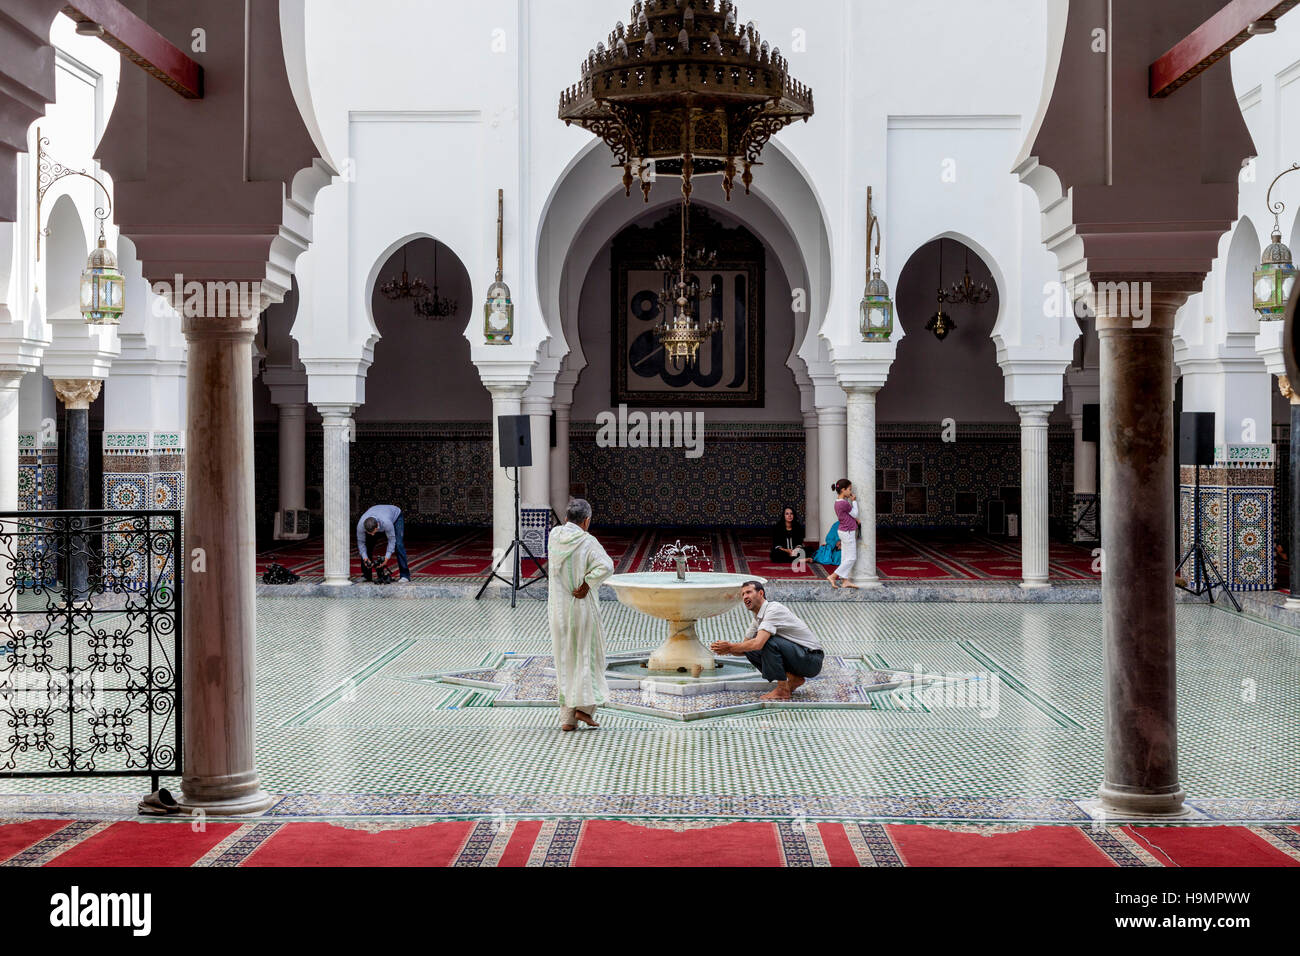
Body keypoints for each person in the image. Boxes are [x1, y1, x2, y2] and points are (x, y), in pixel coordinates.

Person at [547, 498, 615, 732]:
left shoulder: (554, 536)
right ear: (586, 521)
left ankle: (567, 720)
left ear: (566, 519)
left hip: (558, 613)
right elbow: (607, 566)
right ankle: (584, 709)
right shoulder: (588, 541)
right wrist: (587, 583)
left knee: (565, 662)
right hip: (581, 611)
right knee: (588, 659)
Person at [710, 581, 823, 701]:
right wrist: (726, 649)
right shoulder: (758, 618)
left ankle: (782, 690)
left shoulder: (773, 609)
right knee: (750, 648)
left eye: (748, 592)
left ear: (761, 593)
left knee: (766, 641)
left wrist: (731, 646)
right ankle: (794, 679)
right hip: (799, 657)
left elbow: (758, 643)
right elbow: (744, 648)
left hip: (811, 659)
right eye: (743, 594)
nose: (745, 597)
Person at [356, 504, 411, 583]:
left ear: (377, 526)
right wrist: (365, 558)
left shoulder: (386, 522)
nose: (372, 535)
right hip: (377, 512)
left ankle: (405, 575)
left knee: (398, 545)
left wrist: (386, 558)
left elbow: (392, 540)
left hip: (396, 516)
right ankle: (366, 575)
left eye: (373, 532)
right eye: (369, 533)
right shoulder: (361, 525)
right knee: (367, 545)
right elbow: (361, 543)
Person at [828, 478, 859, 589]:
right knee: (851, 558)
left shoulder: (837, 503)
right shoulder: (844, 503)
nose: (850, 492)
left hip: (843, 531)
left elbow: (847, 516)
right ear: (843, 490)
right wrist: (854, 501)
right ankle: (833, 576)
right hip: (848, 532)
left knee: (845, 557)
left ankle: (845, 581)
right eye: (849, 489)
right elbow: (854, 514)